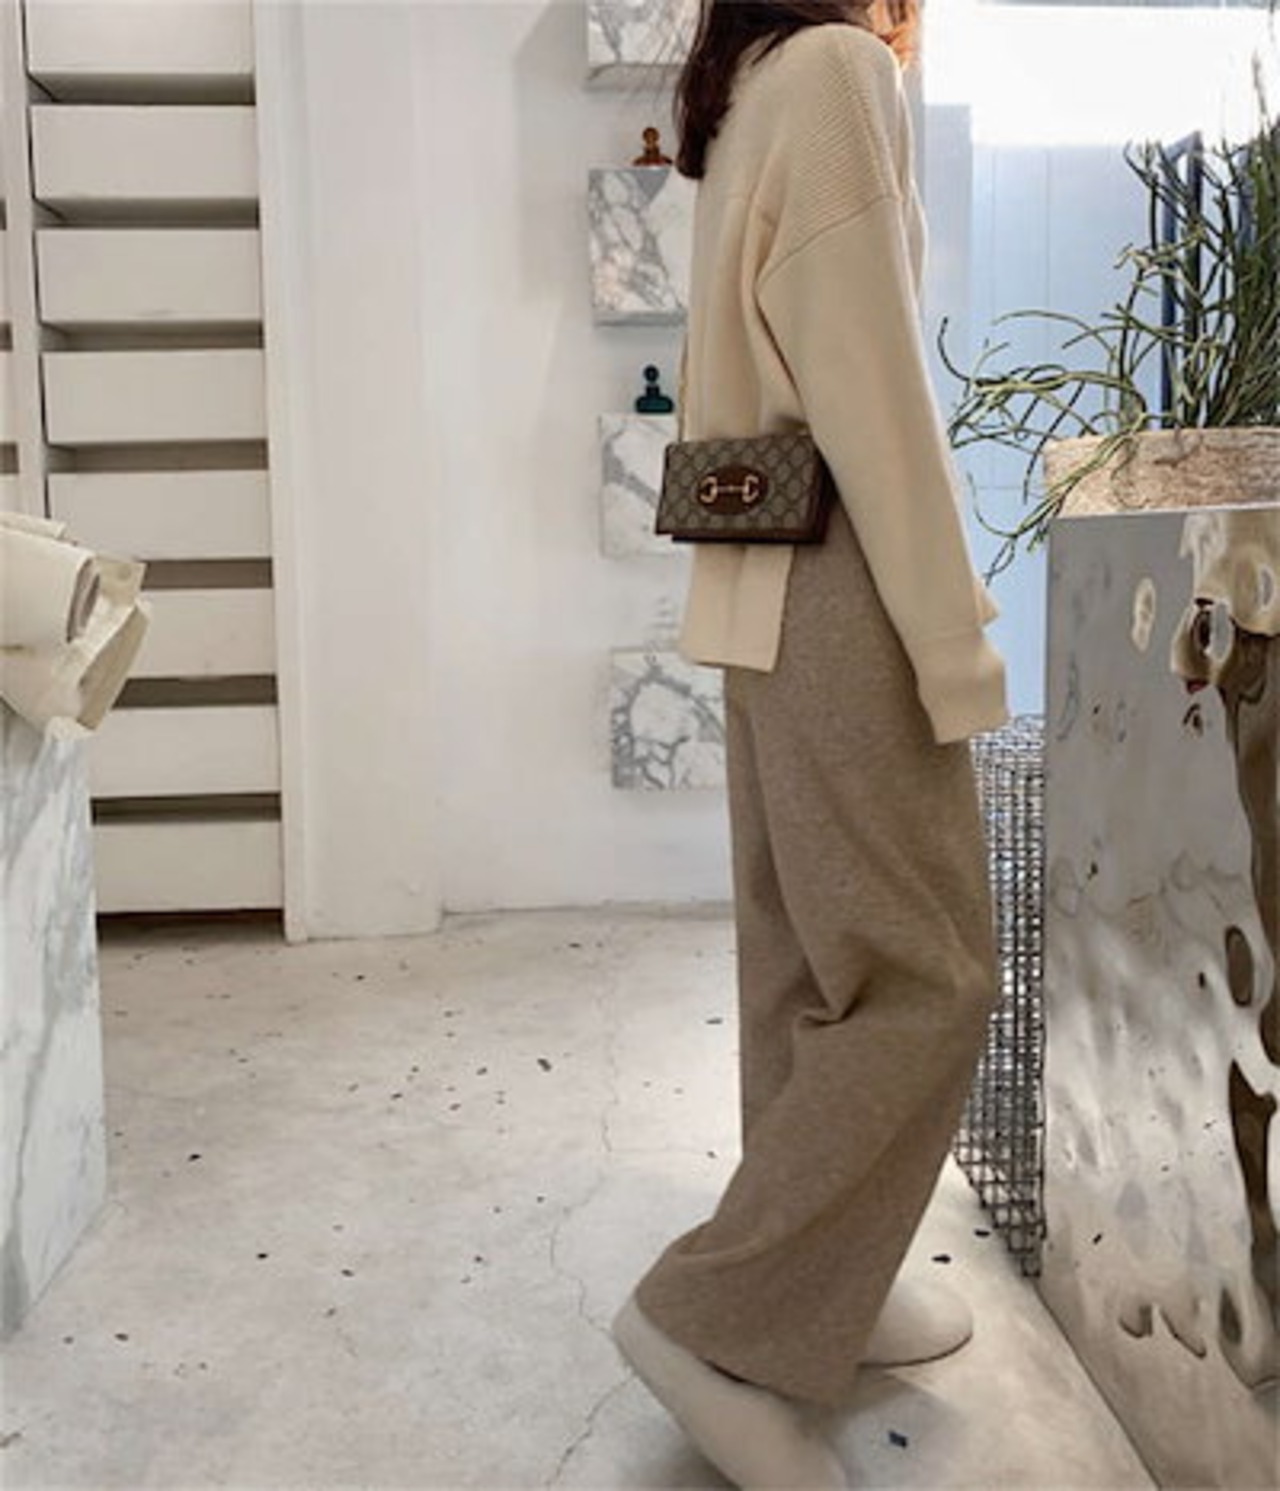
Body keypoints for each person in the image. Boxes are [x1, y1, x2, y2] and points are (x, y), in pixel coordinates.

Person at [611, 3, 1010, 1486]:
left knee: (808, 970)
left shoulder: (754, 84)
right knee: (926, 974)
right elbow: (874, 392)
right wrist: (952, 637)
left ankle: (819, 1292)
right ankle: (713, 1322)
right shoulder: (841, 71)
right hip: (843, 581)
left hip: (755, 570)